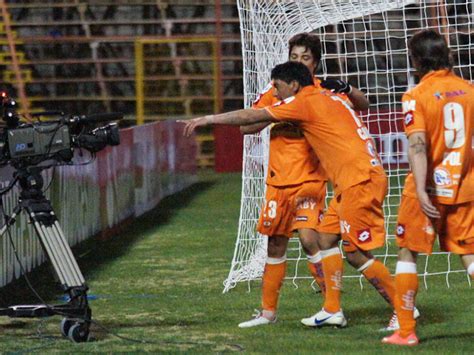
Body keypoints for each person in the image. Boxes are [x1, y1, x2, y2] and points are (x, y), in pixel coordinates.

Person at [181, 61, 397, 328]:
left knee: (354, 252)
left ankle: (403, 309)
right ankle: (332, 309)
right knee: (326, 238)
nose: (275, 90)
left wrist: (209, 119)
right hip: (353, 179)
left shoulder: (303, 102)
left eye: (278, 86)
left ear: (293, 84)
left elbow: (250, 118)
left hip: (360, 180)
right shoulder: (327, 97)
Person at [238, 33, 370, 328]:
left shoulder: (324, 91)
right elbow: (247, 128)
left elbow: (363, 104)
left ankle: (332, 306)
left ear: (317, 62)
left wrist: (348, 87)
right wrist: (280, 115)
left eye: (305, 58)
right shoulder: (276, 90)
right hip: (278, 180)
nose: (299, 62)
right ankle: (268, 313)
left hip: (311, 179)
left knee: (311, 239)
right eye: (294, 57)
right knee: (275, 244)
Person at [382, 30, 474, 346]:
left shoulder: (415, 95)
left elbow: (418, 146)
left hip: (429, 189)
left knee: (408, 252)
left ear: (417, 60)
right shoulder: (469, 90)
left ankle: (406, 332)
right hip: (464, 187)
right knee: (470, 256)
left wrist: (421, 189)